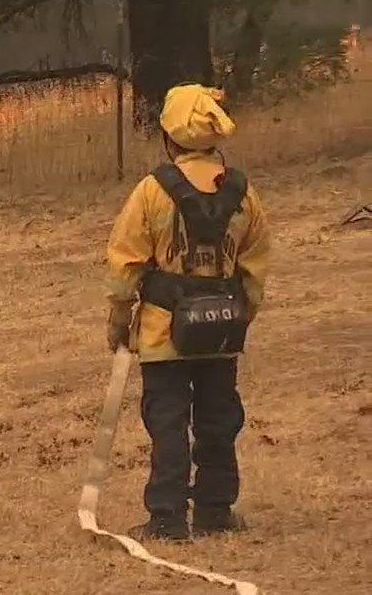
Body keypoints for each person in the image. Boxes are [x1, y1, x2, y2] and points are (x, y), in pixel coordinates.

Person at [105, 83, 271, 541]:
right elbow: (255, 266)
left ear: (168, 138)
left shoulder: (151, 192)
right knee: (219, 421)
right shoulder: (243, 193)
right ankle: (215, 511)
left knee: (168, 424)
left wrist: (119, 319)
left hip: (163, 335)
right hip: (222, 336)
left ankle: (167, 518)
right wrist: (240, 318)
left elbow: (125, 263)